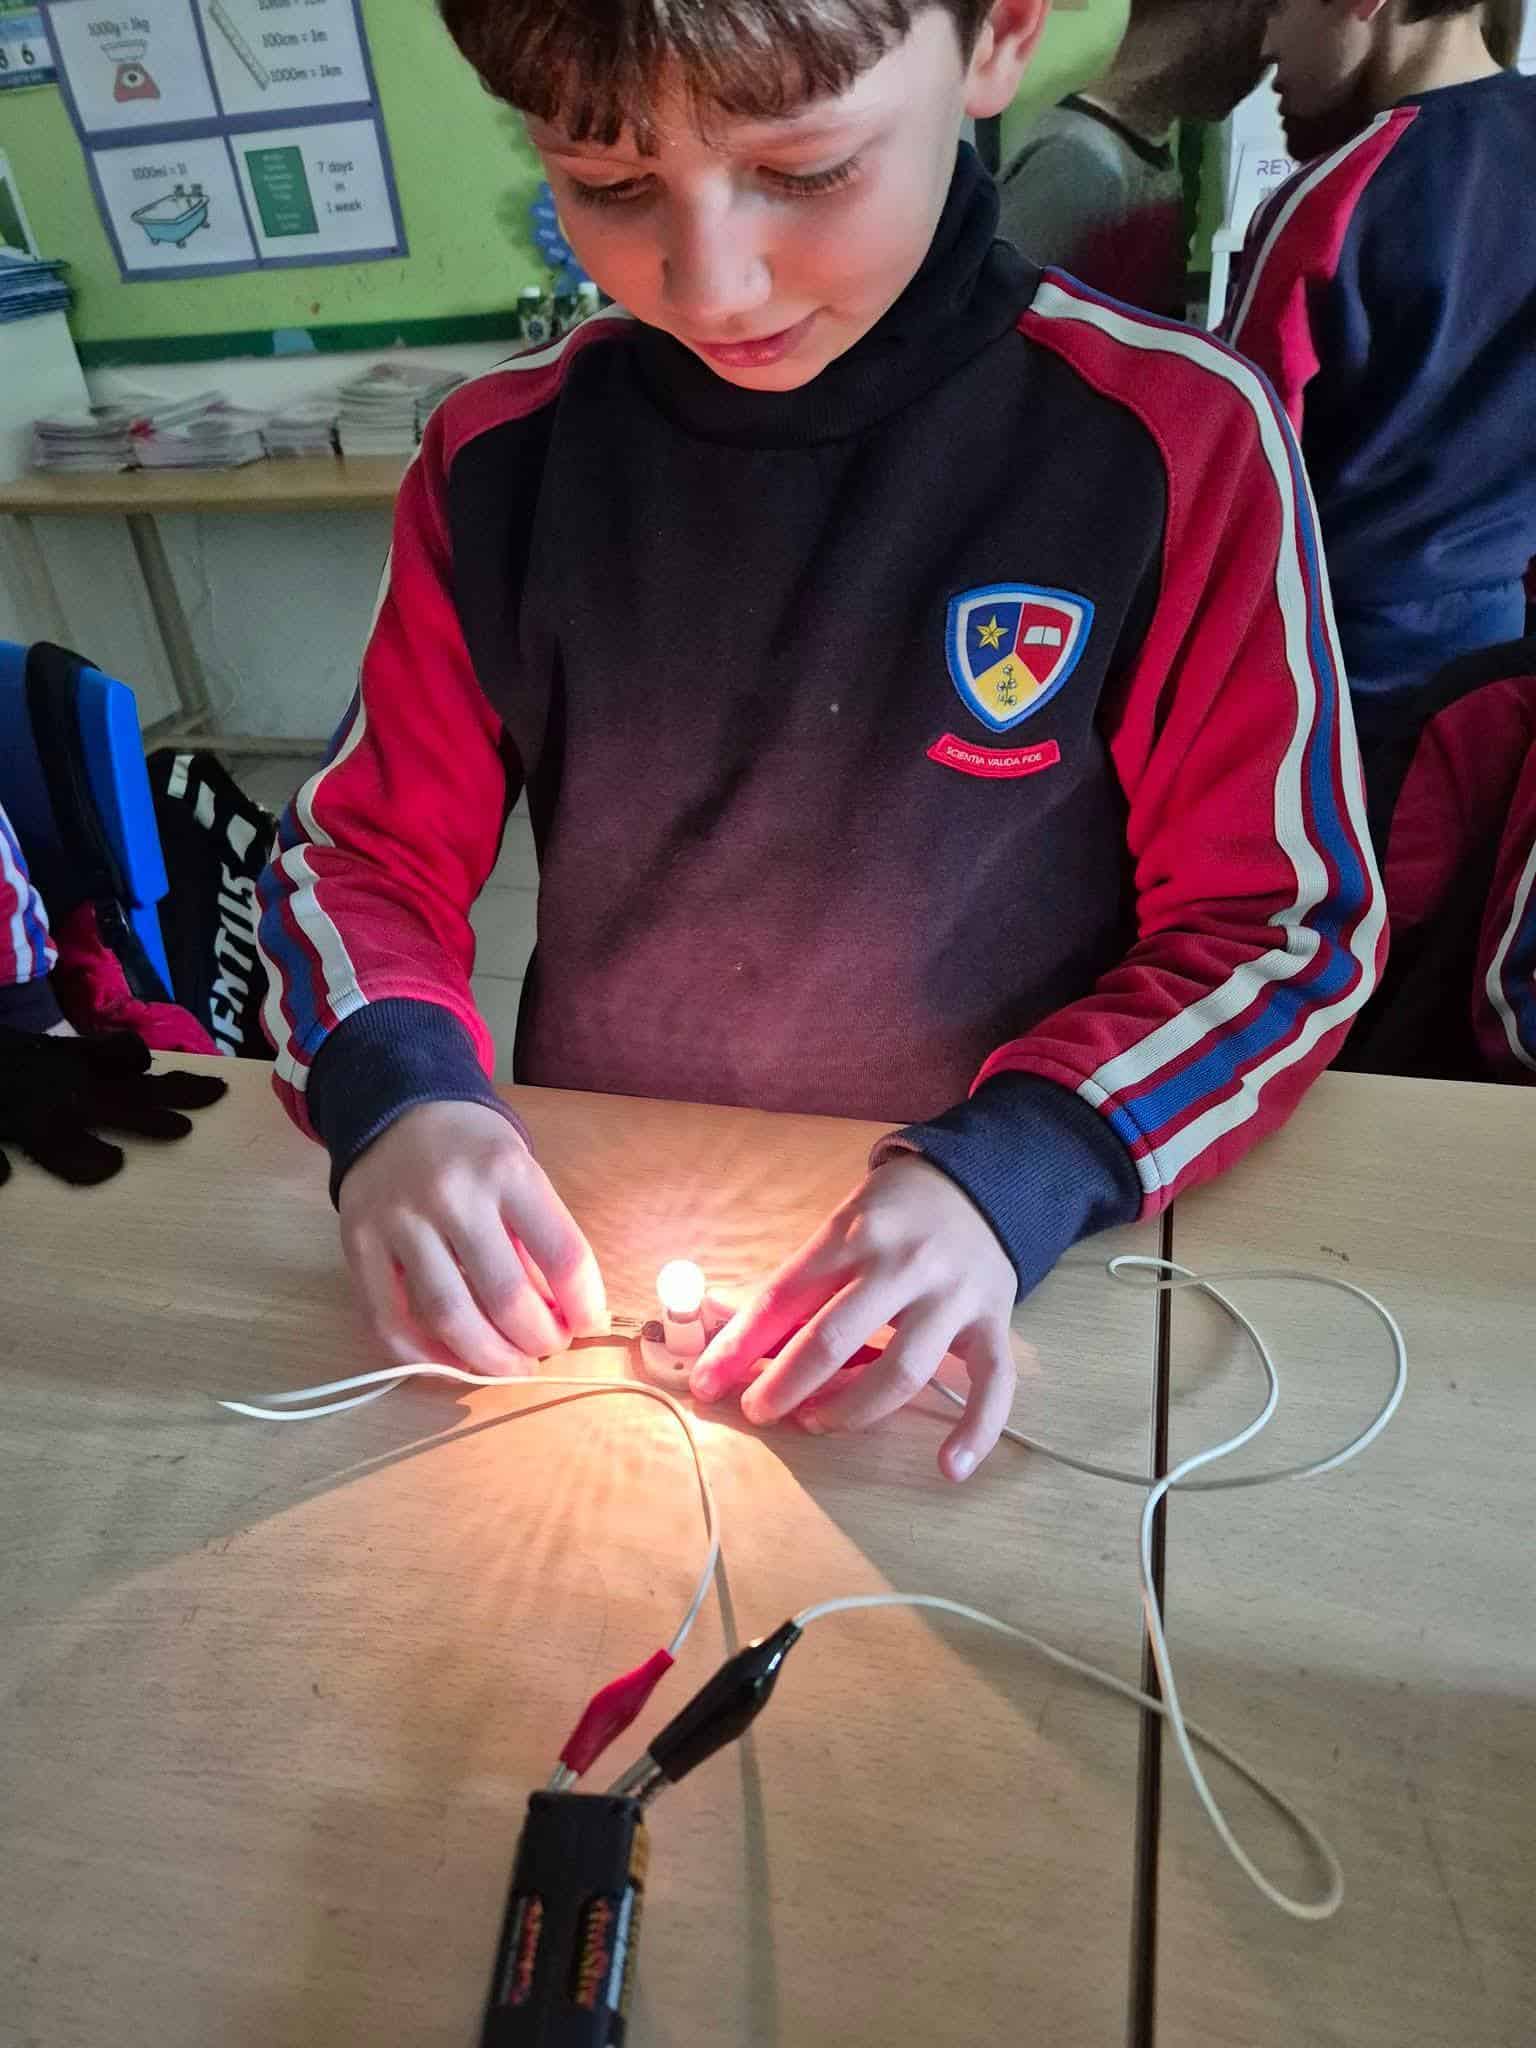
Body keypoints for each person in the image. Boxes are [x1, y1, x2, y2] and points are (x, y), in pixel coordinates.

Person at [256, 0, 1384, 1482]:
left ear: (998, 39)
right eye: (609, 184)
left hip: (1025, 1253)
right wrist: (397, 1093)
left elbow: (1280, 929)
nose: (712, 281)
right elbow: (361, 861)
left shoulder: (1176, 439)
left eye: (803, 170)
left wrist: (1021, 1169)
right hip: (604, 1224)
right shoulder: (500, 459)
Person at [1223, 0, 1536, 752]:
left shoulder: (1333, 200)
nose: (1266, 42)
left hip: (1331, 677)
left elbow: (1231, 484)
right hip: (1502, 666)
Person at [996, 0, 1270, 314]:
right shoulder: (1079, 164)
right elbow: (1001, 310)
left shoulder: (1141, 149)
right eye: (1247, 37)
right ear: (1179, 31)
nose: (1257, 69)